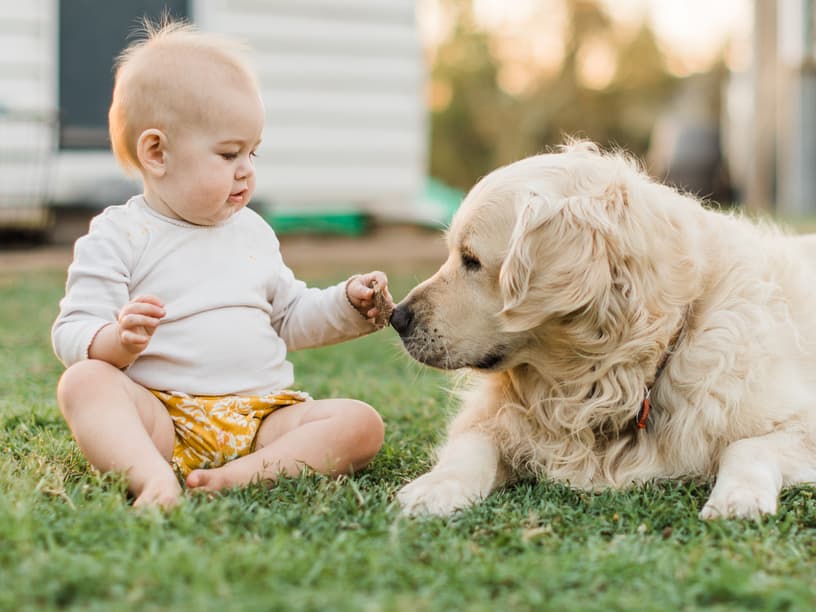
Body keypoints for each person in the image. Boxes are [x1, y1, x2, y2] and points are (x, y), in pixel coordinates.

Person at [52, 20, 391, 509]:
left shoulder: (253, 232)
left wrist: (347, 303)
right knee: (84, 383)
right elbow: (72, 330)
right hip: (164, 418)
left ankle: (245, 474)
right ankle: (152, 478)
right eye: (229, 153)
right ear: (156, 152)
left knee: (360, 423)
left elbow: (291, 316)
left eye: (253, 152)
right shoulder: (118, 235)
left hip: (263, 420)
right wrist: (117, 342)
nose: (247, 169)